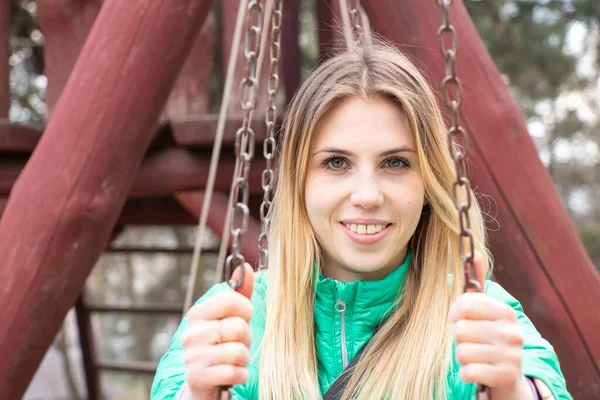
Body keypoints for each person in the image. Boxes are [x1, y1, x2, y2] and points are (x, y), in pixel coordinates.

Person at [150, 39, 572, 400]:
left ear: (429, 183)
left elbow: (539, 384)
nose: (368, 196)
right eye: (336, 162)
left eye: (395, 163)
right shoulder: (234, 320)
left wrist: (514, 388)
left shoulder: (480, 318)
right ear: (299, 183)